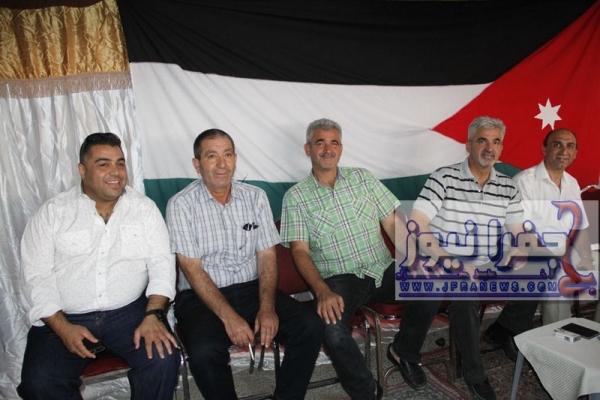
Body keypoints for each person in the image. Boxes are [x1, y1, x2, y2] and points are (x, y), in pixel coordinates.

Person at [18, 132, 180, 399]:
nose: (115, 172)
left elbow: (162, 266)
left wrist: (154, 315)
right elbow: (36, 276)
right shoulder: (53, 213)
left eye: (120, 163)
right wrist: (62, 327)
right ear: (82, 170)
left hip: (128, 312)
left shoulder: (144, 210)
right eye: (103, 164)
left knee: (162, 359)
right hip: (65, 316)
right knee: (39, 383)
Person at [166, 129, 324, 400]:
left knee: (310, 326)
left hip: (252, 289)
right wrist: (230, 319)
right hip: (201, 296)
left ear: (235, 159)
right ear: (197, 164)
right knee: (204, 352)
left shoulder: (255, 197)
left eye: (227, 155)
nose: (222, 164)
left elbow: (267, 256)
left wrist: (267, 308)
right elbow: (192, 269)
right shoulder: (181, 205)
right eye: (212, 156)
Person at [388, 116, 536, 400]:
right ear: (468, 145)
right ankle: (473, 374)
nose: (489, 148)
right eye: (482, 140)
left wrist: (520, 248)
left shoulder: (508, 186)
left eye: (496, 142)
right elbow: (418, 224)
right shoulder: (444, 178)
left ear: (501, 147)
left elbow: (517, 230)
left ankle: (504, 329)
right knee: (462, 290)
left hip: (485, 261)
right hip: (441, 256)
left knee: (541, 270)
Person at [280, 118, 411, 400]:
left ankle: (405, 351)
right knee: (330, 328)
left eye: (334, 142)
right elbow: (299, 252)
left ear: (341, 148)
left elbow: (392, 224)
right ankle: (366, 391)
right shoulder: (296, 197)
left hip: (382, 267)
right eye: (320, 143)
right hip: (341, 280)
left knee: (435, 283)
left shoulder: (363, 178)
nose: (328, 149)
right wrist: (321, 291)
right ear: (308, 149)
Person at [513, 128, 595, 325]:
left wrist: (586, 258)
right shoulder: (525, 181)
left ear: (575, 153)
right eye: (557, 144)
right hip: (535, 254)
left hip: (566, 253)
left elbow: (579, 228)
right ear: (544, 149)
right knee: (559, 276)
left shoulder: (572, 183)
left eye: (570, 146)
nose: (564, 151)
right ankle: (557, 337)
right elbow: (523, 233)